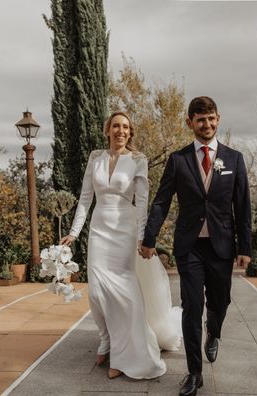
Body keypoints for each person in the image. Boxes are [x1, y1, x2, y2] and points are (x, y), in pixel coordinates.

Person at [141, 96, 252, 396]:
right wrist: (149, 238)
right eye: (201, 119)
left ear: (218, 119)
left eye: (212, 118)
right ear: (190, 122)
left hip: (222, 246)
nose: (207, 124)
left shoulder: (234, 159)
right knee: (192, 307)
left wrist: (246, 246)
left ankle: (213, 331)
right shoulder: (178, 160)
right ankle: (194, 373)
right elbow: (162, 201)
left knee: (221, 301)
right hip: (189, 247)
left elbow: (243, 206)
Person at [60, 111, 179, 380]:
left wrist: (142, 237)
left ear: (130, 132)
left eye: (125, 127)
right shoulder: (95, 158)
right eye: (116, 126)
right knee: (97, 293)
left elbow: (143, 200)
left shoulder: (138, 160)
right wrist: (73, 232)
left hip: (125, 230)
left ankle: (124, 355)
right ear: (108, 130)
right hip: (99, 230)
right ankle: (106, 338)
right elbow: (84, 199)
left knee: (123, 294)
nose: (120, 131)